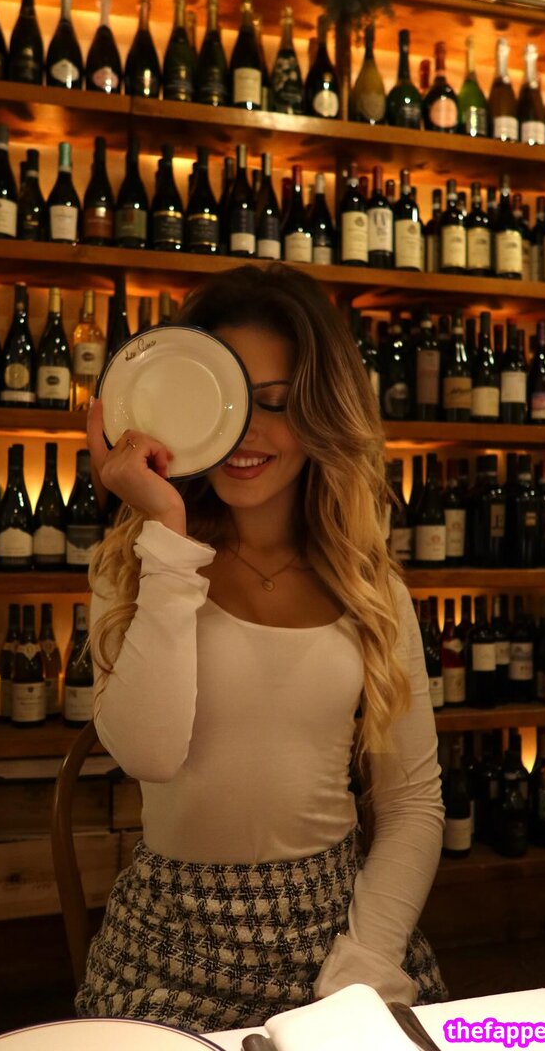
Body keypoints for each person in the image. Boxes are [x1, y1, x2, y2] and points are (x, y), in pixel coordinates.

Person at [75, 263, 446, 1033]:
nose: (245, 432)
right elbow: (148, 751)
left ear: (322, 412)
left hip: (338, 930)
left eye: (274, 403)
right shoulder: (134, 563)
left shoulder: (372, 588)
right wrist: (166, 532)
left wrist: (361, 966)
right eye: (222, 403)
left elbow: (412, 805)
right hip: (170, 943)